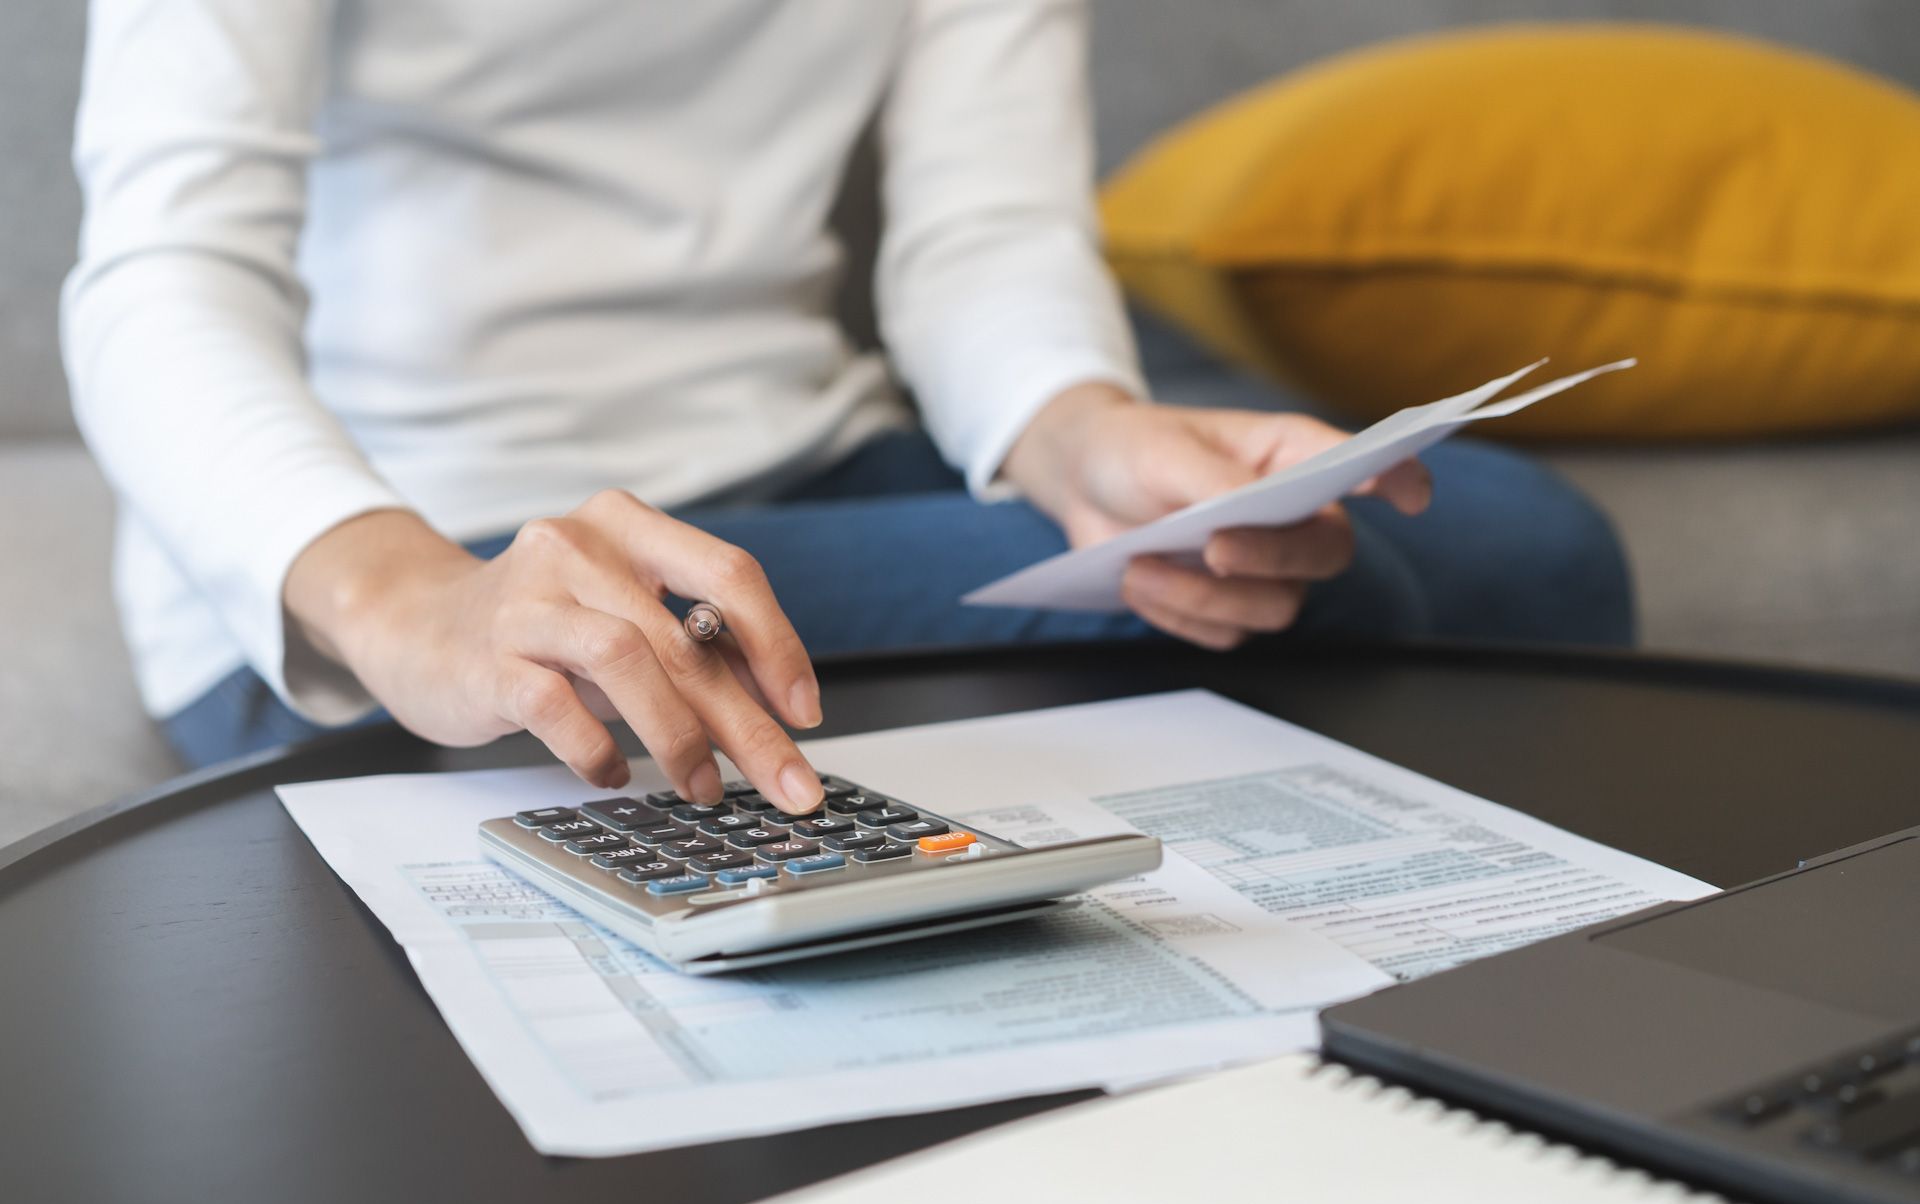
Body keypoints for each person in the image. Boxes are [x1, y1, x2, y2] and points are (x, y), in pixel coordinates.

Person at [63, 0, 1632, 817]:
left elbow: (980, 226)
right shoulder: (387, 583)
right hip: (403, 551)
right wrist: (406, 600)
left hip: (792, 438)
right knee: (1327, 616)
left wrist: (1075, 421)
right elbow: (159, 278)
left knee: (1532, 553)